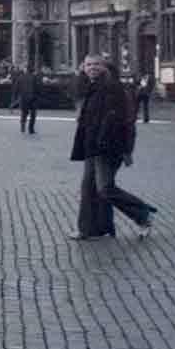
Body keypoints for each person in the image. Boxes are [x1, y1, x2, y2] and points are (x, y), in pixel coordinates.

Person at [72, 57, 156, 241]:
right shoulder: (91, 86)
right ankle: (92, 229)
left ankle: (143, 215)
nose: (92, 68)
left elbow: (124, 121)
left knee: (105, 188)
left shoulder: (113, 88)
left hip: (108, 147)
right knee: (88, 188)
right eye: (88, 65)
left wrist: (126, 149)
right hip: (92, 146)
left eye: (96, 64)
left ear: (104, 67)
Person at [15, 67, 41, 136]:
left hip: (23, 98)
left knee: (24, 113)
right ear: (33, 71)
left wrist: (17, 95)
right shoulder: (34, 77)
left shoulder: (20, 77)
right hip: (33, 98)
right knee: (33, 114)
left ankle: (23, 126)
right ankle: (31, 129)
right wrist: (38, 95)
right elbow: (38, 87)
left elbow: (16, 87)